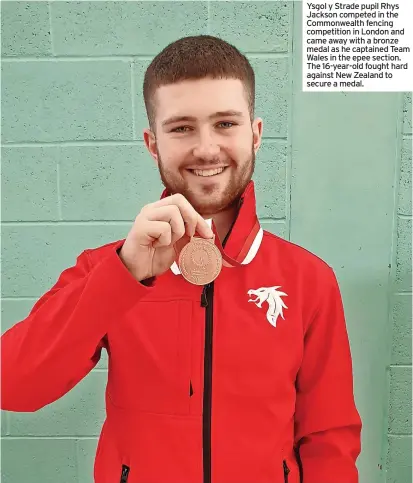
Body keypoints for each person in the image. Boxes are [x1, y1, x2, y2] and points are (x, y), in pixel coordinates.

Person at [1, 35, 362, 483]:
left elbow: (329, 437)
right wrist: (125, 274)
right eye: (182, 127)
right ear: (153, 143)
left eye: (225, 123)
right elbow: (13, 386)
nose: (206, 148)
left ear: (256, 134)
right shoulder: (104, 270)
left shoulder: (309, 279)